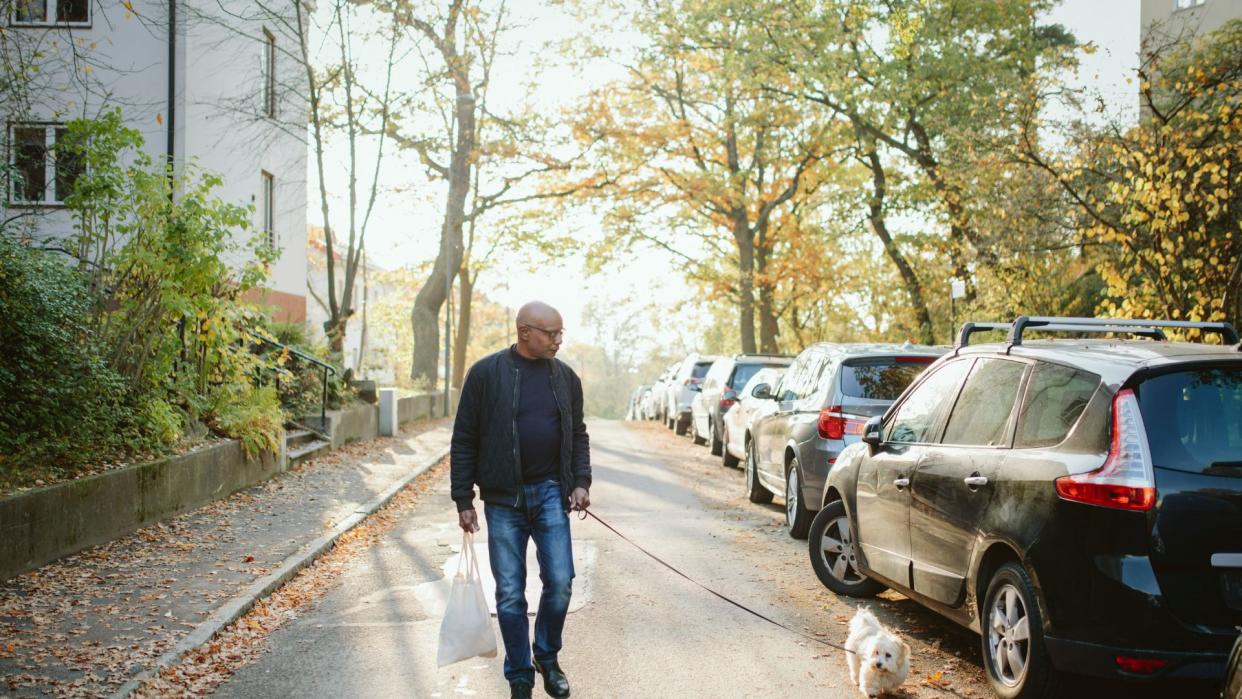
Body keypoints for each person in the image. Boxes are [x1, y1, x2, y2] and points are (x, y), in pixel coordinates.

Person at [450, 301, 591, 699]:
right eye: (551, 333)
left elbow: (578, 433)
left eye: (561, 333)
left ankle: (546, 656)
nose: (558, 340)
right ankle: (520, 675)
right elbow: (464, 438)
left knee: (561, 582)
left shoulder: (566, 378)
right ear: (524, 331)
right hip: (502, 499)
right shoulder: (485, 374)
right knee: (510, 593)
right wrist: (463, 497)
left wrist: (580, 481)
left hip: (550, 493)